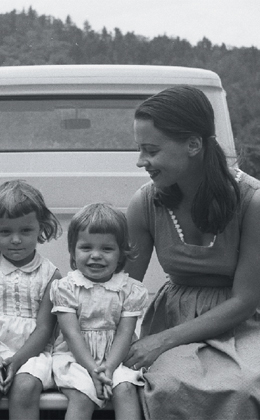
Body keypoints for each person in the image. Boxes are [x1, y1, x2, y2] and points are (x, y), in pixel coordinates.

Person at [124, 85, 260, 419]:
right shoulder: (145, 202)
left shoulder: (251, 201)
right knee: (167, 385)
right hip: (173, 316)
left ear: (193, 145)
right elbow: (123, 287)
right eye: (140, 149)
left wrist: (163, 341)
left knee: (243, 387)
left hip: (242, 324)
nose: (142, 161)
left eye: (151, 150)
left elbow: (245, 299)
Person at [0, 180, 62, 420]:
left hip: (32, 352)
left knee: (25, 388)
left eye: (25, 231)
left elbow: (45, 328)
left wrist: (17, 360)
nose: (16, 239)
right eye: (5, 232)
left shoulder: (50, 275)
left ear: (41, 228)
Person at [50, 203, 148, 420]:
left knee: (126, 388)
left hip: (117, 357)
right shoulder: (66, 287)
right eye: (86, 248)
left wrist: (110, 368)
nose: (96, 255)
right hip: (75, 357)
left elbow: (125, 333)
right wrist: (94, 369)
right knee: (83, 393)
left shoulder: (129, 289)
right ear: (73, 252)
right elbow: (71, 334)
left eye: (106, 249)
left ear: (121, 254)